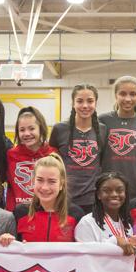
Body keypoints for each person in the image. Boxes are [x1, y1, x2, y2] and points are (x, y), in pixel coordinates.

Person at [50, 84, 107, 212]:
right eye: (80, 101)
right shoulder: (59, 129)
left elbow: (102, 162)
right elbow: (52, 162)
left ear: (96, 103)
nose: (85, 106)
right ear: (73, 103)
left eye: (90, 101)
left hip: (92, 199)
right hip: (65, 198)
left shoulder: (102, 130)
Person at [100, 76, 136, 207]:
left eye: (133, 94)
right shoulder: (103, 120)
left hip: (134, 183)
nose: (128, 99)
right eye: (122, 94)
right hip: (108, 182)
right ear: (116, 95)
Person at [13, 154, 84, 242]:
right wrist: (6, 241)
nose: (45, 187)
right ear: (33, 181)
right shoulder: (21, 212)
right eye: (40, 180)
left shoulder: (75, 214)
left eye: (52, 181)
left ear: (61, 184)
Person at [75, 171, 136, 256]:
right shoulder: (87, 223)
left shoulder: (127, 225)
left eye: (119, 190)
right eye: (107, 191)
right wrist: (115, 240)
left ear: (125, 194)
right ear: (98, 195)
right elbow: (87, 258)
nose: (114, 194)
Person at [6, 107, 56, 211]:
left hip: (45, 211)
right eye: (22, 130)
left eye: (31, 128)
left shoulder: (53, 154)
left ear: (41, 128)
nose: (27, 134)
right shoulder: (11, 155)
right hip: (18, 213)